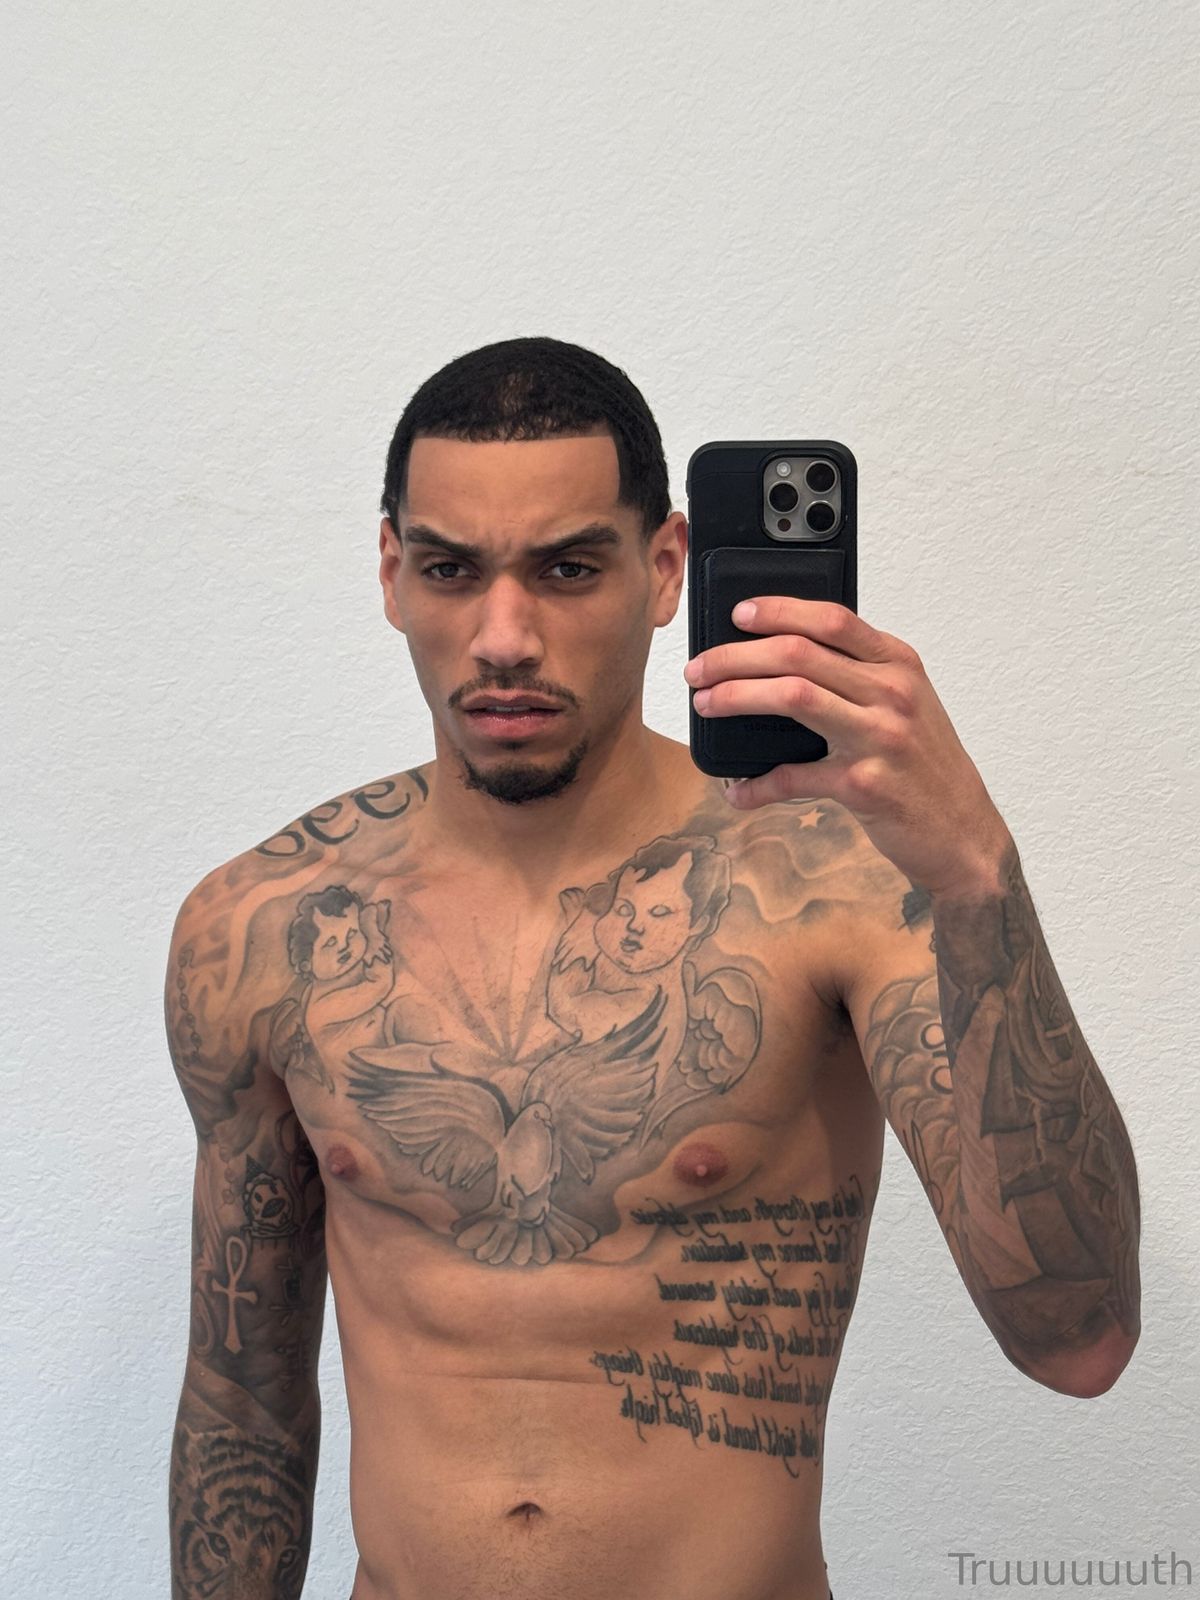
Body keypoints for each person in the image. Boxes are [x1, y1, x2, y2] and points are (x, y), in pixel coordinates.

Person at [166, 336, 1141, 1600]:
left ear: (667, 566)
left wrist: (975, 875)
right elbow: (243, 1405)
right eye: (452, 570)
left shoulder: (836, 890)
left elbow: (1078, 1339)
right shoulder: (266, 927)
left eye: (568, 568)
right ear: (393, 572)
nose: (504, 636)